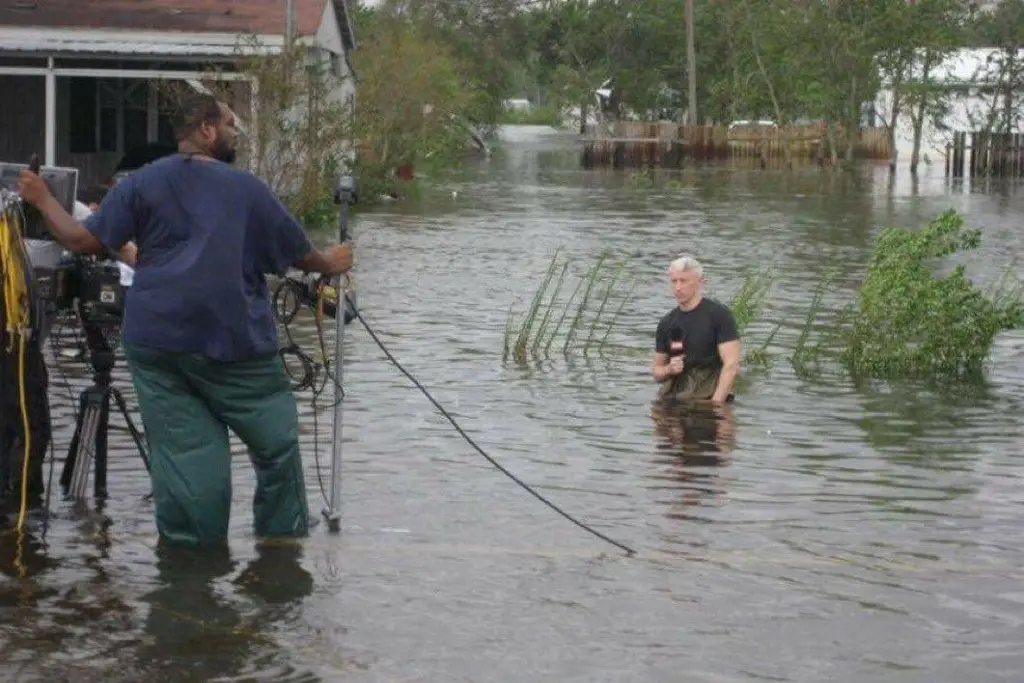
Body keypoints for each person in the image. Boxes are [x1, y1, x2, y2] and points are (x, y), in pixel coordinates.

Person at [16, 93, 354, 548]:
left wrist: (40, 198)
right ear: (207, 130)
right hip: (235, 346)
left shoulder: (140, 183)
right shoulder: (247, 189)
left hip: (158, 346)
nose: (236, 133)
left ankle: (190, 569)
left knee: (188, 458)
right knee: (275, 444)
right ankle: (279, 551)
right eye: (232, 124)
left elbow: (81, 239)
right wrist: (333, 261)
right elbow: (302, 256)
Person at [651, 254, 741, 404]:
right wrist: (669, 369)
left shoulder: (718, 315)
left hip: (708, 397)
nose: (678, 287)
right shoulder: (667, 323)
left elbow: (731, 364)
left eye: (684, 281)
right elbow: (656, 372)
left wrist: (716, 404)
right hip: (675, 397)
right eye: (674, 281)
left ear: (700, 282)